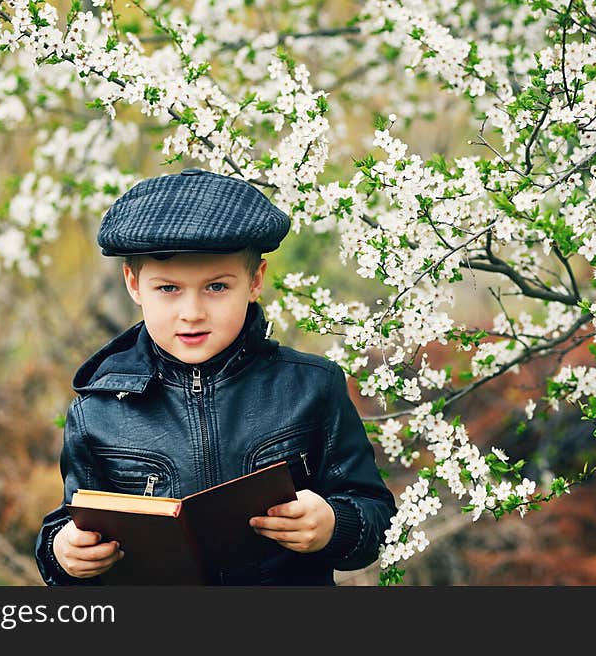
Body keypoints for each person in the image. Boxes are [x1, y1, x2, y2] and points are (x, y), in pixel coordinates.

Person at [35, 167, 397, 585]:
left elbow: (374, 513)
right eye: (168, 289)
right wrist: (64, 552)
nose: (192, 312)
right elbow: (69, 526)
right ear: (134, 285)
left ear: (255, 281)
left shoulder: (313, 388)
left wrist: (334, 525)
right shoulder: (97, 410)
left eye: (217, 287)